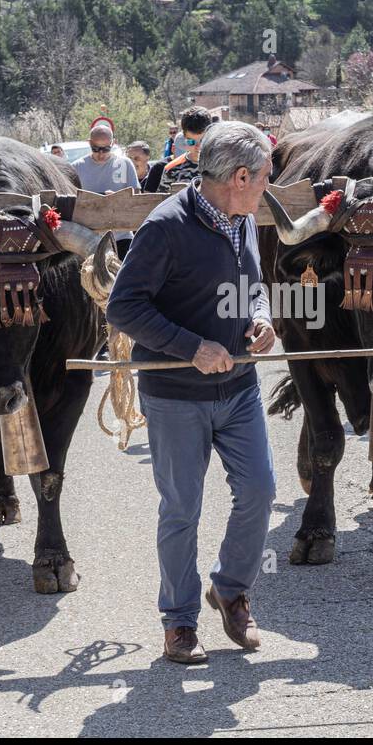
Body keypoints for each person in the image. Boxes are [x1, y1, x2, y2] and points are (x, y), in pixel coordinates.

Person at [105, 121, 278, 665]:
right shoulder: (165, 227)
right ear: (241, 176)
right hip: (176, 393)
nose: (267, 189)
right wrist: (192, 346)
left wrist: (261, 317)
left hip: (240, 388)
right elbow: (124, 307)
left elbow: (253, 288)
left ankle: (229, 589)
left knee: (260, 491)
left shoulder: (245, 220)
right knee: (182, 508)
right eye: (265, 178)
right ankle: (179, 623)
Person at [72, 122, 139, 259]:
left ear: (113, 143)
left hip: (121, 235)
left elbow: (136, 199)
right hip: (87, 238)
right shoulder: (77, 167)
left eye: (106, 149)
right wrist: (97, 199)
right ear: (89, 143)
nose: (101, 154)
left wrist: (116, 199)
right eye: (96, 149)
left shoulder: (125, 164)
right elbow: (72, 202)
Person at [143, 105, 211, 193]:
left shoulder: (222, 165)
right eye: (191, 142)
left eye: (202, 140)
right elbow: (164, 203)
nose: (198, 147)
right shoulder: (171, 169)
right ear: (184, 138)